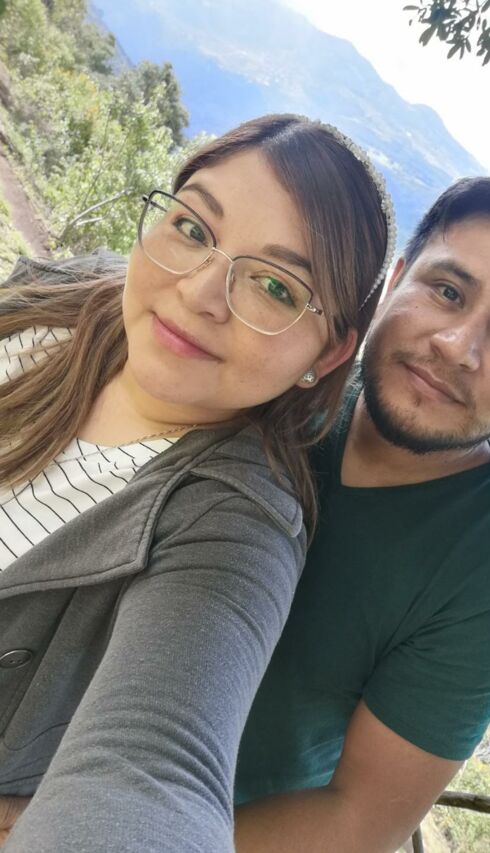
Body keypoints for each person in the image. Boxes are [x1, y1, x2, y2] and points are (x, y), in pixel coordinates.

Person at [0, 114, 394, 852]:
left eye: (275, 286)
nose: (201, 291)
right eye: (192, 228)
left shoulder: (233, 522)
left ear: (327, 354)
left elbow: (157, 773)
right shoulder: (52, 298)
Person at [233, 177, 490, 852]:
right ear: (395, 281)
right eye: (448, 291)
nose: (458, 345)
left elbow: (359, 820)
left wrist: (120, 833)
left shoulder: (487, 591)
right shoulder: (284, 373)